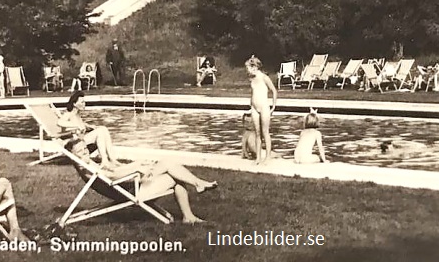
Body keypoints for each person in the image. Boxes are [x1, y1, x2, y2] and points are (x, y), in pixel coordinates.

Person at [66, 138, 215, 224]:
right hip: (132, 191)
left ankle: (190, 211)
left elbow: (113, 172)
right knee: (172, 171)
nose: (85, 152)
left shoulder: (88, 165)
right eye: (80, 151)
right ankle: (196, 188)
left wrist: (138, 165)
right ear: (73, 156)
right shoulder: (87, 168)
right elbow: (112, 177)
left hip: (129, 186)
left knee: (170, 167)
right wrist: (137, 168)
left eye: (85, 148)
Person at [57, 90, 122, 167]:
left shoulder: (77, 115)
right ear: (74, 104)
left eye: (84, 102)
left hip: (81, 142)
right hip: (73, 145)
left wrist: (90, 126)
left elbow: (81, 125)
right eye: (82, 102)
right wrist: (76, 125)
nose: (84, 104)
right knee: (100, 131)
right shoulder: (69, 114)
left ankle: (112, 159)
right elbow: (60, 122)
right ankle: (104, 160)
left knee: (103, 128)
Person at [245, 56, 277, 164]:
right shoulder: (252, 79)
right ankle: (258, 157)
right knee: (257, 133)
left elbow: (273, 90)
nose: (247, 71)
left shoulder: (264, 78)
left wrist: (273, 105)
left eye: (248, 68)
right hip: (254, 107)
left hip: (264, 107)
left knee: (265, 132)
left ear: (254, 67)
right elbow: (252, 93)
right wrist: (251, 104)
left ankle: (267, 157)